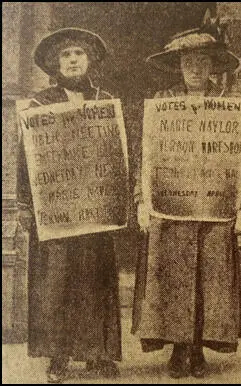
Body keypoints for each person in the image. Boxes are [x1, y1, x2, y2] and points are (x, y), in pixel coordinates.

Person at [132, 12, 241, 379]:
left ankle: (198, 351)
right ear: (179, 67)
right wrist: (141, 200)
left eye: (203, 62)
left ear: (213, 67)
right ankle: (178, 351)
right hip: (172, 209)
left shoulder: (229, 105)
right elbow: (146, 154)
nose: (195, 69)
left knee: (207, 281)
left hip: (214, 211)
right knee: (175, 280)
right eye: (188, 62)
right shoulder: (161, 103)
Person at [17, 28, 121, 383]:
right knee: (57, 281)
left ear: (90, 59)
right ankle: (58, 355)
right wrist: (26, 206)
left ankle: (98, 355)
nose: (73, 59)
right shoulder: (39, 105)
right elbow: (25, 160)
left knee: (94, 278)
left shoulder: (105, 100)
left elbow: (120, 154)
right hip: (57, 212)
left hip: (95, 209)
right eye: (66, 55)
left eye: (79, 53)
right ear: (54, 63)